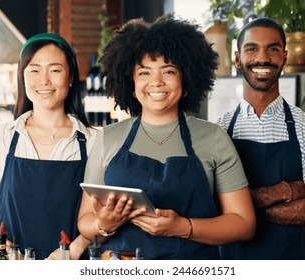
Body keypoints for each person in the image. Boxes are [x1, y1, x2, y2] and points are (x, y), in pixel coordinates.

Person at [78, 14, 255, 260]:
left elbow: (244, 224)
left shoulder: (213, 137)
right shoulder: (108, 138)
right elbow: (85, 222)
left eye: (168, 71)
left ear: (186, 80)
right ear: (131, 81)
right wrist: (105, 223)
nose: (156, 82)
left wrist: (184, 227)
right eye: (144, 73)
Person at [0, 33, 97, 260]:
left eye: (55, 70)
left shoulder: (93, 142)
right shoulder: (1, 138)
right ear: (23, 78)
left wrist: (75, 248)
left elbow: (107, 215)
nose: (44, 80)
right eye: (34, 70)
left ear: (70, 77)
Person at [217, 17, 305, 259]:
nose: (262, 58)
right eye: (251, 48)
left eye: (272, 49)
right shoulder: (218, 130)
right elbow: (209, 204)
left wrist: (241, 213)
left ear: (284, 57)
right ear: (237, 59)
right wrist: (284, 191)